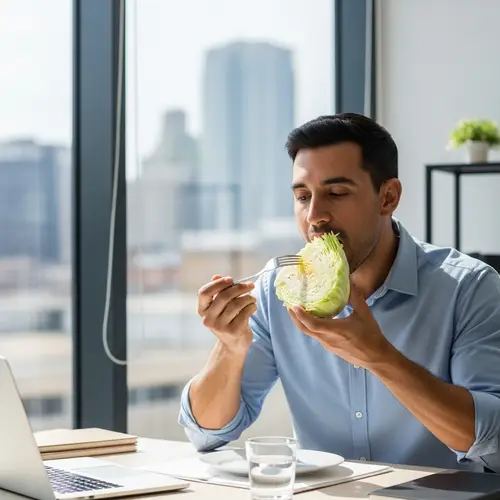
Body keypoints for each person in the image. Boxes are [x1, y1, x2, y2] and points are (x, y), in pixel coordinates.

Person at [178, 113, 500, 473]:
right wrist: (229, 347)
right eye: (303, 196)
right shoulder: (274, 292)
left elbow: (496, 447)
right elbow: (206, 433)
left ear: (388, 197)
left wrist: (381, 358)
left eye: (336, 193)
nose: (315, 216)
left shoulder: (469, 289)